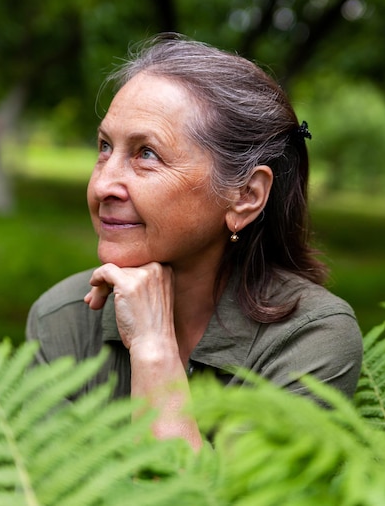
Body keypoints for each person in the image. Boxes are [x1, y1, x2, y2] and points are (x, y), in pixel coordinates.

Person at [26, 34, 363, 450]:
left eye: (146, 153)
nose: (103, 184)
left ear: (246, 196)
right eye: (104, 147)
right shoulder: (63, 319)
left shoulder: (311, 339)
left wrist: (153, 350)